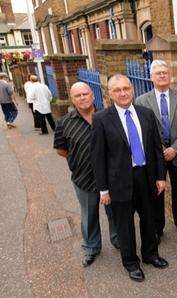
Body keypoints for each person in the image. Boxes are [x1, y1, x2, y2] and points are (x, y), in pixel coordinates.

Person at [91, 74, 168, 282]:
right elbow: (98, 157)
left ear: (132, 89)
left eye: (126, 88)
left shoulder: (146, 114)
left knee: (149, 218)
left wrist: (161, 177)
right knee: (124, 224)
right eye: (117, 90)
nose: (123, 93)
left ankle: (150, 254)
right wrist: (103, 190)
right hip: (120, 181)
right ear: (110, 94)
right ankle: (131, 262)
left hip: (147, 176)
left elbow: (156, 148)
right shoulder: (101, 119)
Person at [53, 82, 119, 267]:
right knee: (89, 215)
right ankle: (91, 247)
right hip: (83, 178)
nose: (82, 98)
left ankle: (117, 239)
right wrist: (78, 160)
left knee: (114, 212)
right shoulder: (64, 122)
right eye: (77, 96)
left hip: (110, 177)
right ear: (73, 99)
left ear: (92, 95)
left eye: (85, 94)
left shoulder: (108, 116)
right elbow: (61, 150)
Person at [136, 60, 177, 239]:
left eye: (165, 72)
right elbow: (144, 131)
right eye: (158, 73)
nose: (162, 75)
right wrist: (162, 150)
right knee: (157, 192)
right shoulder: (142, 100)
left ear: (169, 76)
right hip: (156, 156)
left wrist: (175, 148)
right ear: (151, 77)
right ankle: (158, 228)